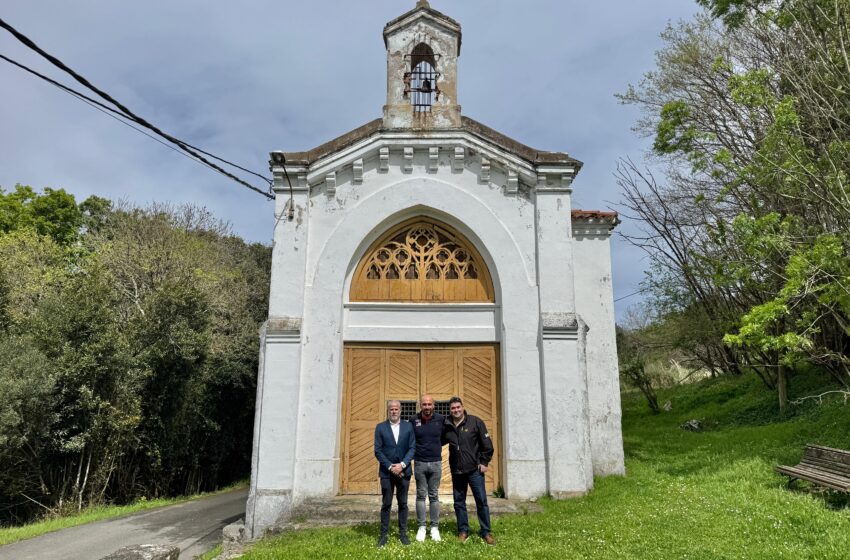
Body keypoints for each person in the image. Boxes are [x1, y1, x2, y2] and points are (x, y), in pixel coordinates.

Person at [442, 396, 496, 545]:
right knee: (459, 502)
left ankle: (486, 532)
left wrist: (484, 462)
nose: (456, 410)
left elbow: (487, 445)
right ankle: (463, 530)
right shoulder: (446, 425)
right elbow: (436, 441)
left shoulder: (475, 422)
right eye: (453, 408)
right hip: (457, 471)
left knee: (481, 501)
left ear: (462, 407)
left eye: (458, 407)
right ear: (450, 410)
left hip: (474, 471)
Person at [374, 400, 416, 547]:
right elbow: (378, 451)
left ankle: (403, 533)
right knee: (386, 504)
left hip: (404, 471)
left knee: (403, 503)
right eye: (391, 409)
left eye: (396, 409)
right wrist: (391, 467)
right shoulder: (380, 427)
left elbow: (412, 448)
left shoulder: (408, 426)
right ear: (388, 410)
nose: (393, 411)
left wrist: (402, 465)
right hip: (386, 472)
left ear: (400, 410)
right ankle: (383, 534)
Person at [410, 394, 445, 542]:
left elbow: (444, 438)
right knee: (420, 495)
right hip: (420, 463)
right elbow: (410, 439)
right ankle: (422, 527)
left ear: (434, 405)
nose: (427, 407)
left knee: (434, 495)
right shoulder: (413, 420)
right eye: (424, 404)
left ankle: (435, 528)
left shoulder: (441, 419)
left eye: (429, 404)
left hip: (436, 462)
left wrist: (434, 447)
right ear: (420, 405)